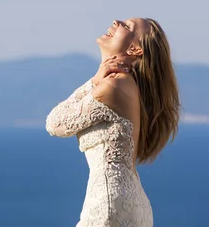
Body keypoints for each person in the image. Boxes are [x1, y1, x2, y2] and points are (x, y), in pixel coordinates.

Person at [45, 17, 180, 227]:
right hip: (130, 202)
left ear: (135, 50)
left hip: (109, 203)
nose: (116, 21)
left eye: (127, 26)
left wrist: (94, 80)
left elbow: (54, 123)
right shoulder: (128, 86)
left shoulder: (113, 86)